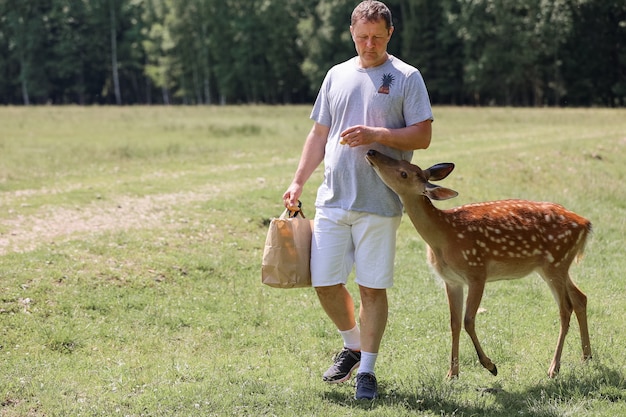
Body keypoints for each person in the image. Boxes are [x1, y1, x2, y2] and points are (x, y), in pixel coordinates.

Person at [283, 0, 433, 400]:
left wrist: (377, 134)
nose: (370, 45)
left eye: (377, 38)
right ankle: (352, 343)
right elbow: (319, 134)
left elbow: (422, 136)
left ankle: (367, 370)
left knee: (371, 289)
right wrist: (298, 181)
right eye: (363, 37)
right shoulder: (336, 75)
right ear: (352, 33)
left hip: (380, 202)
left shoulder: (406, 76)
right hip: (332, 199)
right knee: (325, 281)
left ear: (389, 34)